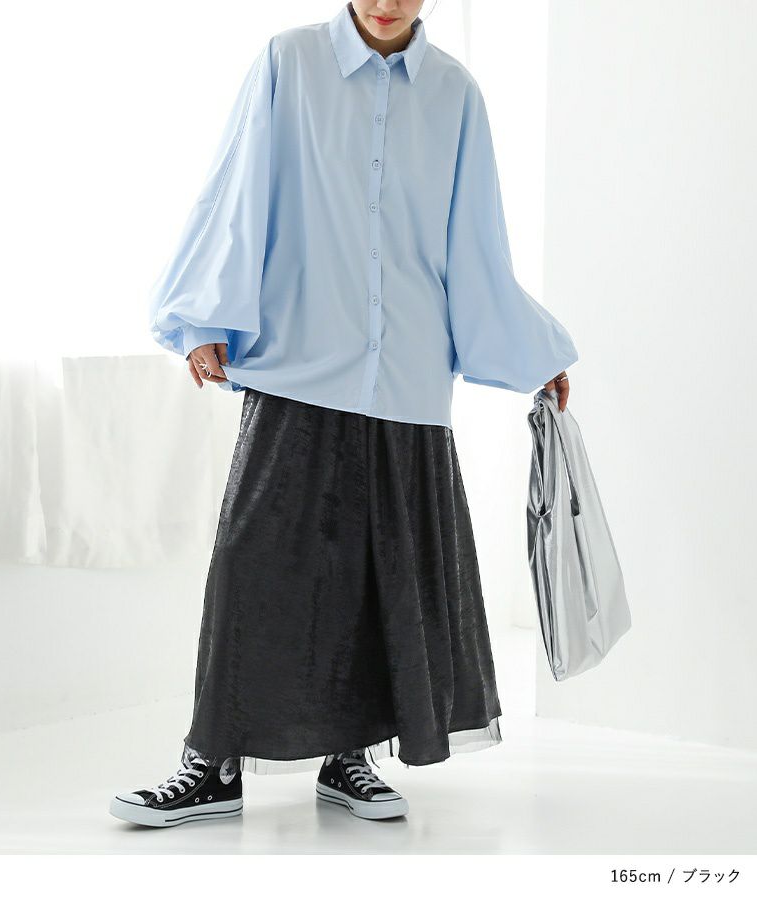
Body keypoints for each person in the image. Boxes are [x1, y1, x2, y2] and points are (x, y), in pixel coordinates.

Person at [109, 0, 577, 828]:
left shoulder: (456, 94)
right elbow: (238, 191)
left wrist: (530, 350)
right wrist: (204, 316)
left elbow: (475, 244)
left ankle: (349, 756)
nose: (386, 1)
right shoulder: (290, 63)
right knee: (254, 566)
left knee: (376, 574)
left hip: (406, 374)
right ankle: (211, 764)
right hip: (301, 356)